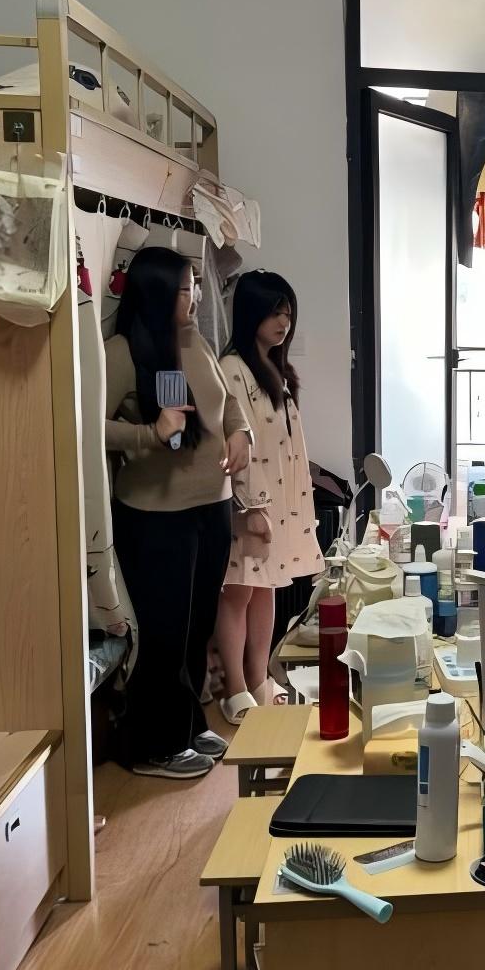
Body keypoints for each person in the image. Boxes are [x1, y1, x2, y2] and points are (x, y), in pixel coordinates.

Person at [103, 242, 251, 779]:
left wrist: (241, 432)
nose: (195, 298)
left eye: (195, 287)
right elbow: (89, 427)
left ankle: (186, 725)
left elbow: (227, 403)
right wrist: (151, 432)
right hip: (155, 515)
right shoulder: (123, 352)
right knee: (163, 633)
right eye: (187, 289)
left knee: (196, 626)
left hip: (212, 507)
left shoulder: (197, 341)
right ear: (159, 293)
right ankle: (155, 746)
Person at [214, 271, 321, 724]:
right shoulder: (232, 370)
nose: (283, 322)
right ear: (251, 314)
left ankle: (259, 679)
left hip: (279, 500)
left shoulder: (276, 368)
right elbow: (236, 446)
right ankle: (235, 688)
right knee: (237, 593)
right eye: (275, 312)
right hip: (250, 503)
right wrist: (251, 507)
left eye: (288, 313)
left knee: (266, 589)